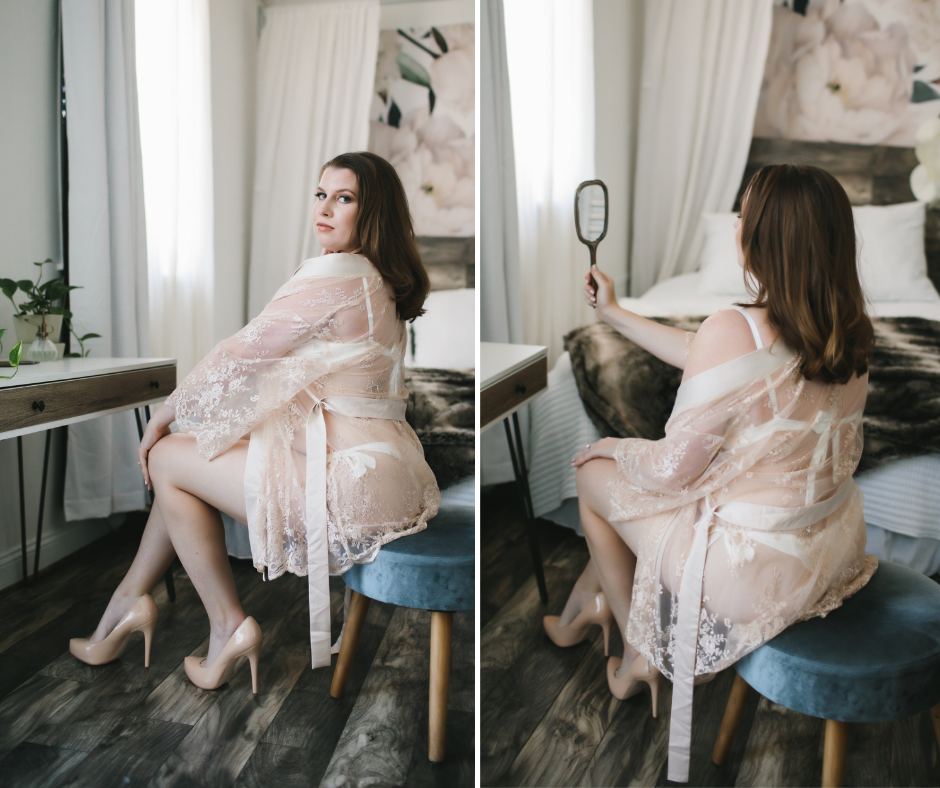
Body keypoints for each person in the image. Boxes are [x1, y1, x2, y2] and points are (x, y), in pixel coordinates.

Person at [543, 164, 878, 783]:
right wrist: (615, 314)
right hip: (828, 548)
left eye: (743, 214)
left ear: (763, 237)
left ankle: (639, 654)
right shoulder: (848, 330)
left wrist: (613, 447)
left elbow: (670, 471)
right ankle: (582, 613)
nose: (735, 225)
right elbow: (716, 360)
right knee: (641, 504)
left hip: (749, 575)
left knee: (595, 481)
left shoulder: (737, 326)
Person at [69, 151, 441, 694]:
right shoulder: (377, 278)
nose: (325, 208)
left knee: (171, 456)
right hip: (391, 475)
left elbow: (243, 354)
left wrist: (164, 415)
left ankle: (227, 628)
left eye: (345, 198)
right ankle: (124, 608)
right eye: (321, 194)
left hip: (351, 485)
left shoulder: (336, 272)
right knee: (196, 456)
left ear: (372, 213)